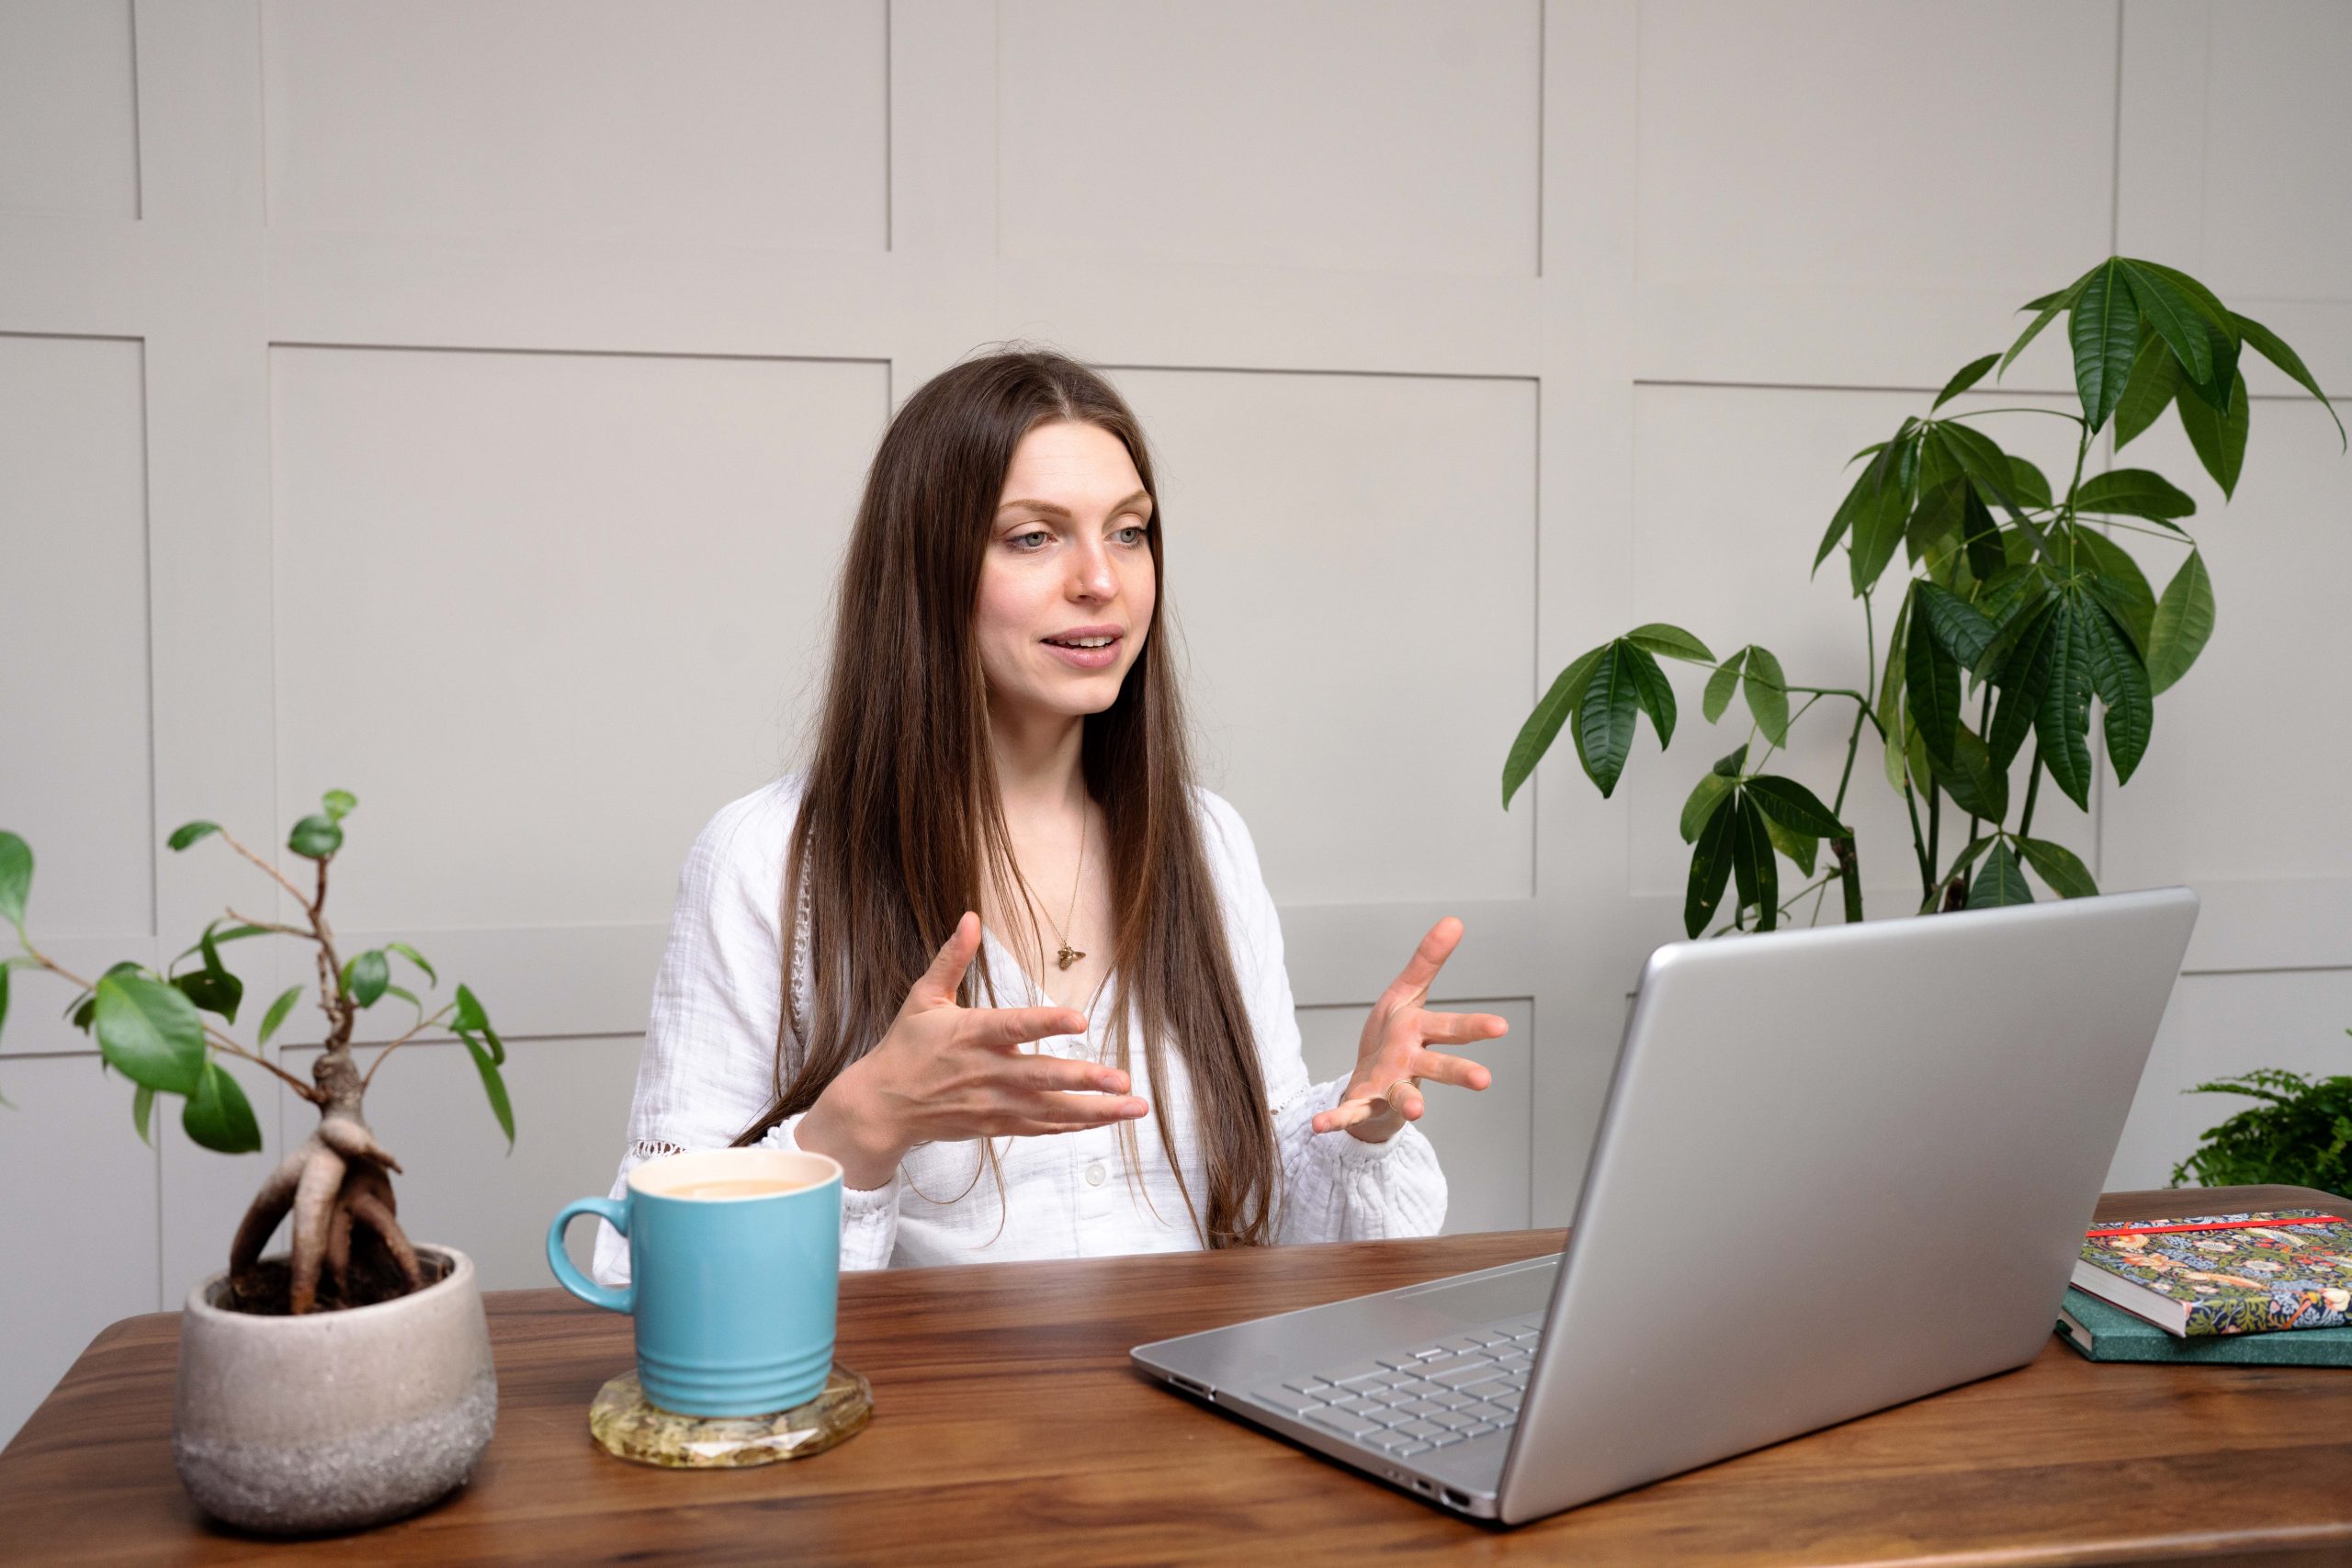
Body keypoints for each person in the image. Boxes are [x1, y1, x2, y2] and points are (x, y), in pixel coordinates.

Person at [593, 347, 1503, 1281]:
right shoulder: (766, 858)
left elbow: (1262, 1210)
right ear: (926, 571)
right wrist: (860, 1127)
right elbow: (634, 1262)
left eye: (1128, 532)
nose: (1100, 580)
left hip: (1189, 1411)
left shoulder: (1208, 843)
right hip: (924, 1421)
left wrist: (1357, 1117)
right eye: (1033, 537)